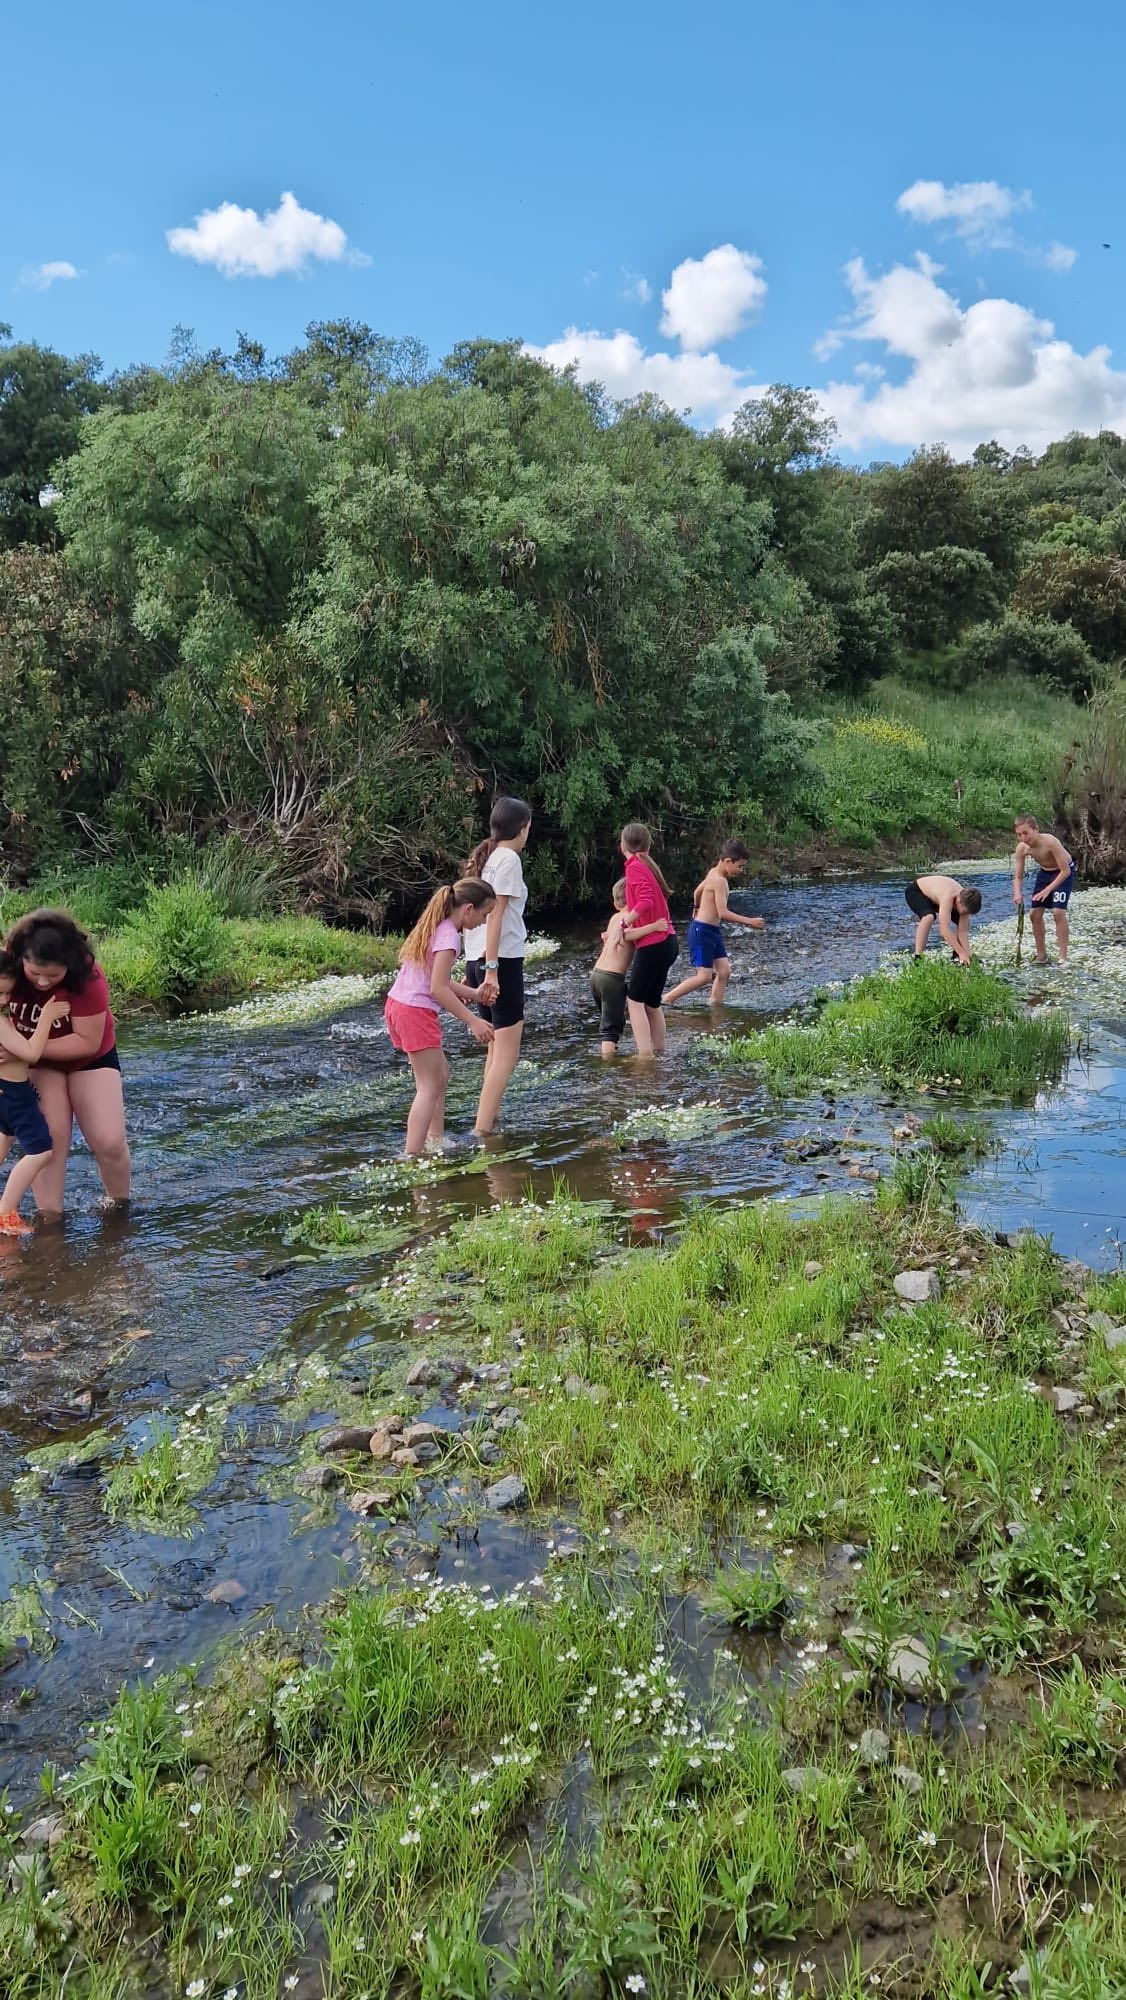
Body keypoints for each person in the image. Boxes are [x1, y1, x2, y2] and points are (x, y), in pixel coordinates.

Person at [0, 910, 131, 1213]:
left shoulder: (88, 977)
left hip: (89, 1058)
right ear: (21, 958)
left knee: (108, 1141)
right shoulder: (8, 963)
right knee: (50, 1137)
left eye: (53, 975)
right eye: (34, 974)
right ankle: (51, 1223)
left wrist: (24, 1050)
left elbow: (86, 1043)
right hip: (35, 1061)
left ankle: (120, 1208)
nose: (43, 982)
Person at [384, 879, 496, 1156]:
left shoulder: (437, 927)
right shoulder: (449, 938)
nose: (483, 922)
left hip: (400, 1005)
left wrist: (474, 993)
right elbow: (437, 988)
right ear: (468, 909)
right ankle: (411, 1156)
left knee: (440, 1075)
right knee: (429, 1086)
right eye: (484, 914)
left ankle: (435, 1139)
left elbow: (438, 980)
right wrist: (473, 1021)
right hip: (415, 1012)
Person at [464, 797, 533, 1135]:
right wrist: (491, 970)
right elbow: (495, 917)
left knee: (494, 1049)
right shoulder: (508, 859)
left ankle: (489, 1120)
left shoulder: (487, 858)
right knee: (507, 1054)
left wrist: (472, 968)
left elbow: (473, 918)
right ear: (523, 829)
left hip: (481, 959)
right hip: (500, 962)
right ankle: (482, 1131)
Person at [0, 971, 72, 1235]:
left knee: (5, 1138)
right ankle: (6, 1213)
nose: (5, 999)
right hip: (15, 1097)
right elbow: (32, 1052)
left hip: (8, 1093)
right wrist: (46, 1018)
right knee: (41, 1150)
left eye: (8, 993)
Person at [666, 839, 765, 1007]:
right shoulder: (719, 880)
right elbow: (723, 912)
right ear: (728, 861)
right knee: (704, 976)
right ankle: (666, 998)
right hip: (702, 931)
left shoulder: (712, 872)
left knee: (724, 972)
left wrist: (696, 907)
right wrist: (750, 922)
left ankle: (715, 1005)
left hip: (712, 930)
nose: (741, 870)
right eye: (740, 866)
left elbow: (697, 891)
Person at [620, 823, 678, 1056]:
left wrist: (624, 922)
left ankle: (645, 1057)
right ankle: (660, 1051)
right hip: (668, 942)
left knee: (634, 1001)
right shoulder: (646, 864)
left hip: (654, 944)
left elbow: (645, 902)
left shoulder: (634, 866)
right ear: (648, 846)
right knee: (652, 1003)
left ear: (622, 844)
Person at [1012, 815, 1076, 968]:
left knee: (1058, 913)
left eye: (1026, 833)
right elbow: (1018, 877)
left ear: (1036, 830)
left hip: (1062, 872)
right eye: (1019, 834)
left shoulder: (1050, 842)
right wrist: (1017, 893)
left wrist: (1048, 890)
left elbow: (1065, 871)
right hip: (1044, 873)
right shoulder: (1022, 848)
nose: (1023, 838)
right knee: (1034, 914)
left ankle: (1063, 958)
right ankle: (1042, 955)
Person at [590, 878, 636, 1058]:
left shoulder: (615, 918)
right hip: (612, 979)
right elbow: (630, 936)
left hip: (596, 975)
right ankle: (608, 1064)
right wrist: (654, 927)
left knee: (611, 1020)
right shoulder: (631, 918)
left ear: (617, 903)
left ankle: (612, 1052)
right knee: (610, 1030)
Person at [904, 875, 982, 966]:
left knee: (964, 923)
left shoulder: (966, 903)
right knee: (929, 917)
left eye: (968, 913)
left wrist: (967, 955)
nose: (965, 914)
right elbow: (944, 930)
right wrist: (962, 952)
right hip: (917, 892)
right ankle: (918, 958)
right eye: (965, 911)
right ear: (958, 902)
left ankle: (956, 958)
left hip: (936, 898)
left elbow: (963, 932)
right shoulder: (948, 896)